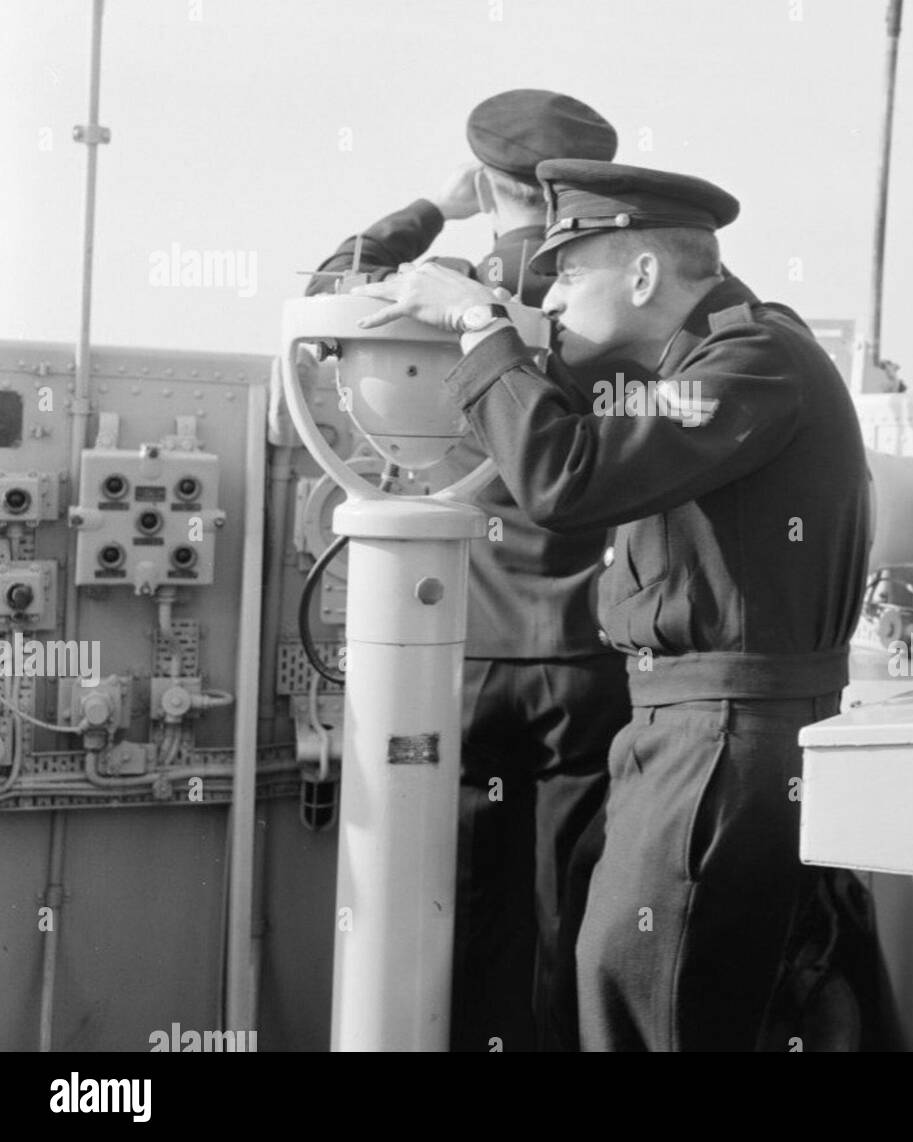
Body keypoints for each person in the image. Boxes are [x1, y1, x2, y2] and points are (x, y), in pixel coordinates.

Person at [359, 158, 870, 1051]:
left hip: (721, 740)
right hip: (690, 727)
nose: (550, 298)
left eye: (570, 271)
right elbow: (588, 435)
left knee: (644, 1004)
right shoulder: (707, 362)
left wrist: (481, 325)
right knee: (625, 988)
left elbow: (568, 476)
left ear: (643, 275)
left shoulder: (754, 362)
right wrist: (510, 340)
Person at [308, 91, 629, 1051]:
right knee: (573, 903)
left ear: (489, 179)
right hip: (586, 652)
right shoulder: (610, 294)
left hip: (469, 650)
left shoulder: (450, 279)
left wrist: (431, 211)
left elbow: (337, 283)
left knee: (468, 901)